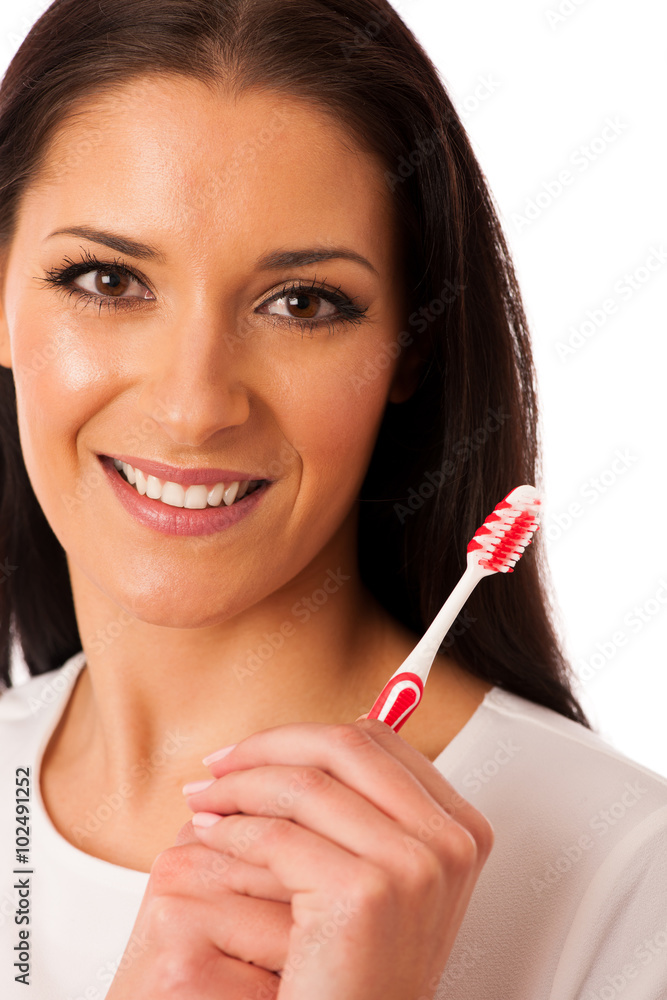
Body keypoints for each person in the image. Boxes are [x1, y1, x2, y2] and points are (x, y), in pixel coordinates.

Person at [0, 1, 665, 998]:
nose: (193, 407)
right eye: (107, 278)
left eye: (301, 303)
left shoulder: (626, 877)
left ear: (410, 347)